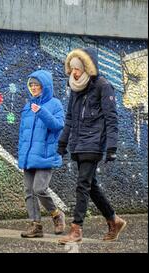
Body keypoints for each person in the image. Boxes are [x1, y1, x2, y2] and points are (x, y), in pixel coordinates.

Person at [57, 47, 127, 244]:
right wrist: (62, 142)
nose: (74, 73)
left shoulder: (103, 86)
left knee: (82, 185)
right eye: (71, 69)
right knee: (90, 186)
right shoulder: (76, 88)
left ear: (87, 67)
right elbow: (70, 118)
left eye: (77, 69)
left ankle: (76, 229)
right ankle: (114, 220)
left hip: (94, 143)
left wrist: (111, 147)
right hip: (79, 144)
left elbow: (111, 118)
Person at [18, 70, 66, 238]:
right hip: (29, 156)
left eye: (36, 85)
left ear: (45, 86)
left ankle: (56, 215)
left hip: (46, 156)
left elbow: (58, 125)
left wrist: (41, 111)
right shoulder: (28, 106)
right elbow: (23, 134)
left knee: (39, 188)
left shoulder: (55, 104)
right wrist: (22, 155)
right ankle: (35, 225)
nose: (33, 88)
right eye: (31, 85)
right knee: (28, 191)